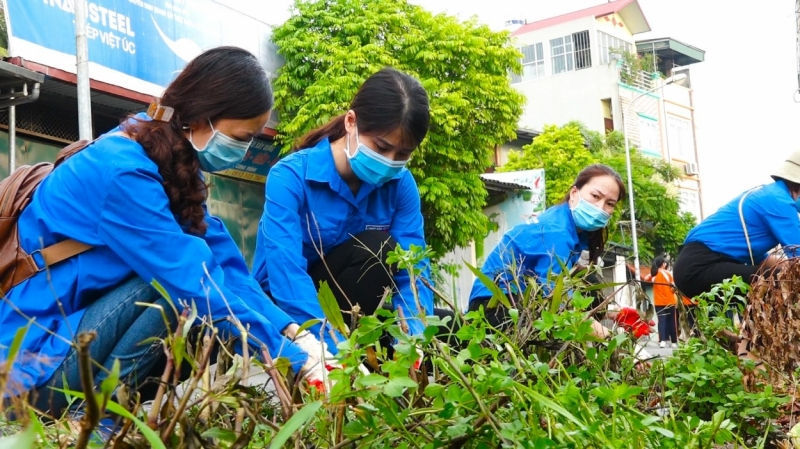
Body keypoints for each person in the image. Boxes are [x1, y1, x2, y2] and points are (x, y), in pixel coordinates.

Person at [0, 47, 329, 415]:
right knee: (176, 292)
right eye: (241, 137)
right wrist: (292, 361)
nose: (244, 149)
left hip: (75, 340)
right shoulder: (124, 171)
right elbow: (192, 279)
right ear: (201, 117)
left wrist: (293, 332)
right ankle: (96, 422)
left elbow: (224, 262)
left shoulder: (170, 156)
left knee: (206, 293)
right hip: (30, 368)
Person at [252, 68, 434, 356]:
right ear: (351, 122)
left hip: (354, 309)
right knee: (377, 249)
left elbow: (413, 267)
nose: (389, 162)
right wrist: (328, 347)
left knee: (448, 326)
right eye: (381, 147)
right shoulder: (290, 177)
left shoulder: (400, 184)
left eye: (402, 154)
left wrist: (414, 338)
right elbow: (286, 272)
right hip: (285, 306)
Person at [467, 164, 625, 336]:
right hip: (495, 306)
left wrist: (615, 313)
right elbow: (560, 303)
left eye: (610, 204)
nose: (600, 207)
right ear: (574, 193)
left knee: (587, 278)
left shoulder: (573, 227)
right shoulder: (557, 232)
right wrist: (610, 340)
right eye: (595, 196)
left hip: (522, 302)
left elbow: (577, 284)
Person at [674, 151, 800, 299]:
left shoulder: (768, 194)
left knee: (774, 278)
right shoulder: (779, 200)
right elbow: (797, 257)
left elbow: (764, 261)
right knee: (784, 281)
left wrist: (783, 265)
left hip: (693, 265)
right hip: (701, 266)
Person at [649, 255, 678, 348]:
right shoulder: (668, 273)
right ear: (663, 264)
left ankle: (662, 341)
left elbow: (646, 279)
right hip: (670, 301)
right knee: (671, 321)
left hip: (658, 302)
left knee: (662, 321)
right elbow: (673, 288)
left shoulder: (653, 274)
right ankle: (673, 341)